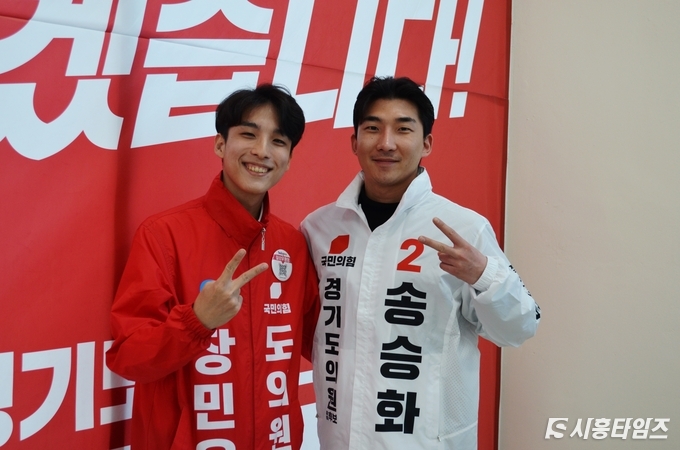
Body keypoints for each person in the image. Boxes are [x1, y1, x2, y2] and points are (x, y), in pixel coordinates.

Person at [300, 76, 541, 450]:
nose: (386, 143)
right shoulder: (320, 228)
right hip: (339, 438)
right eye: (372, 128)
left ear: (426, 143)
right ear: (354, 141)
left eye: (403, 129)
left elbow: (519, 327)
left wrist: (484, 276)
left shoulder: (464, 229)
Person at [106, 84, 320, 450]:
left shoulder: (293, 244)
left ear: (289, 158)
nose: (262, 151)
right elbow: (128, 357)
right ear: (220, 144)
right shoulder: (163, 234)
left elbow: (326, 343)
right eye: (248, 135)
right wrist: (197, 321)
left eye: (278, 141)